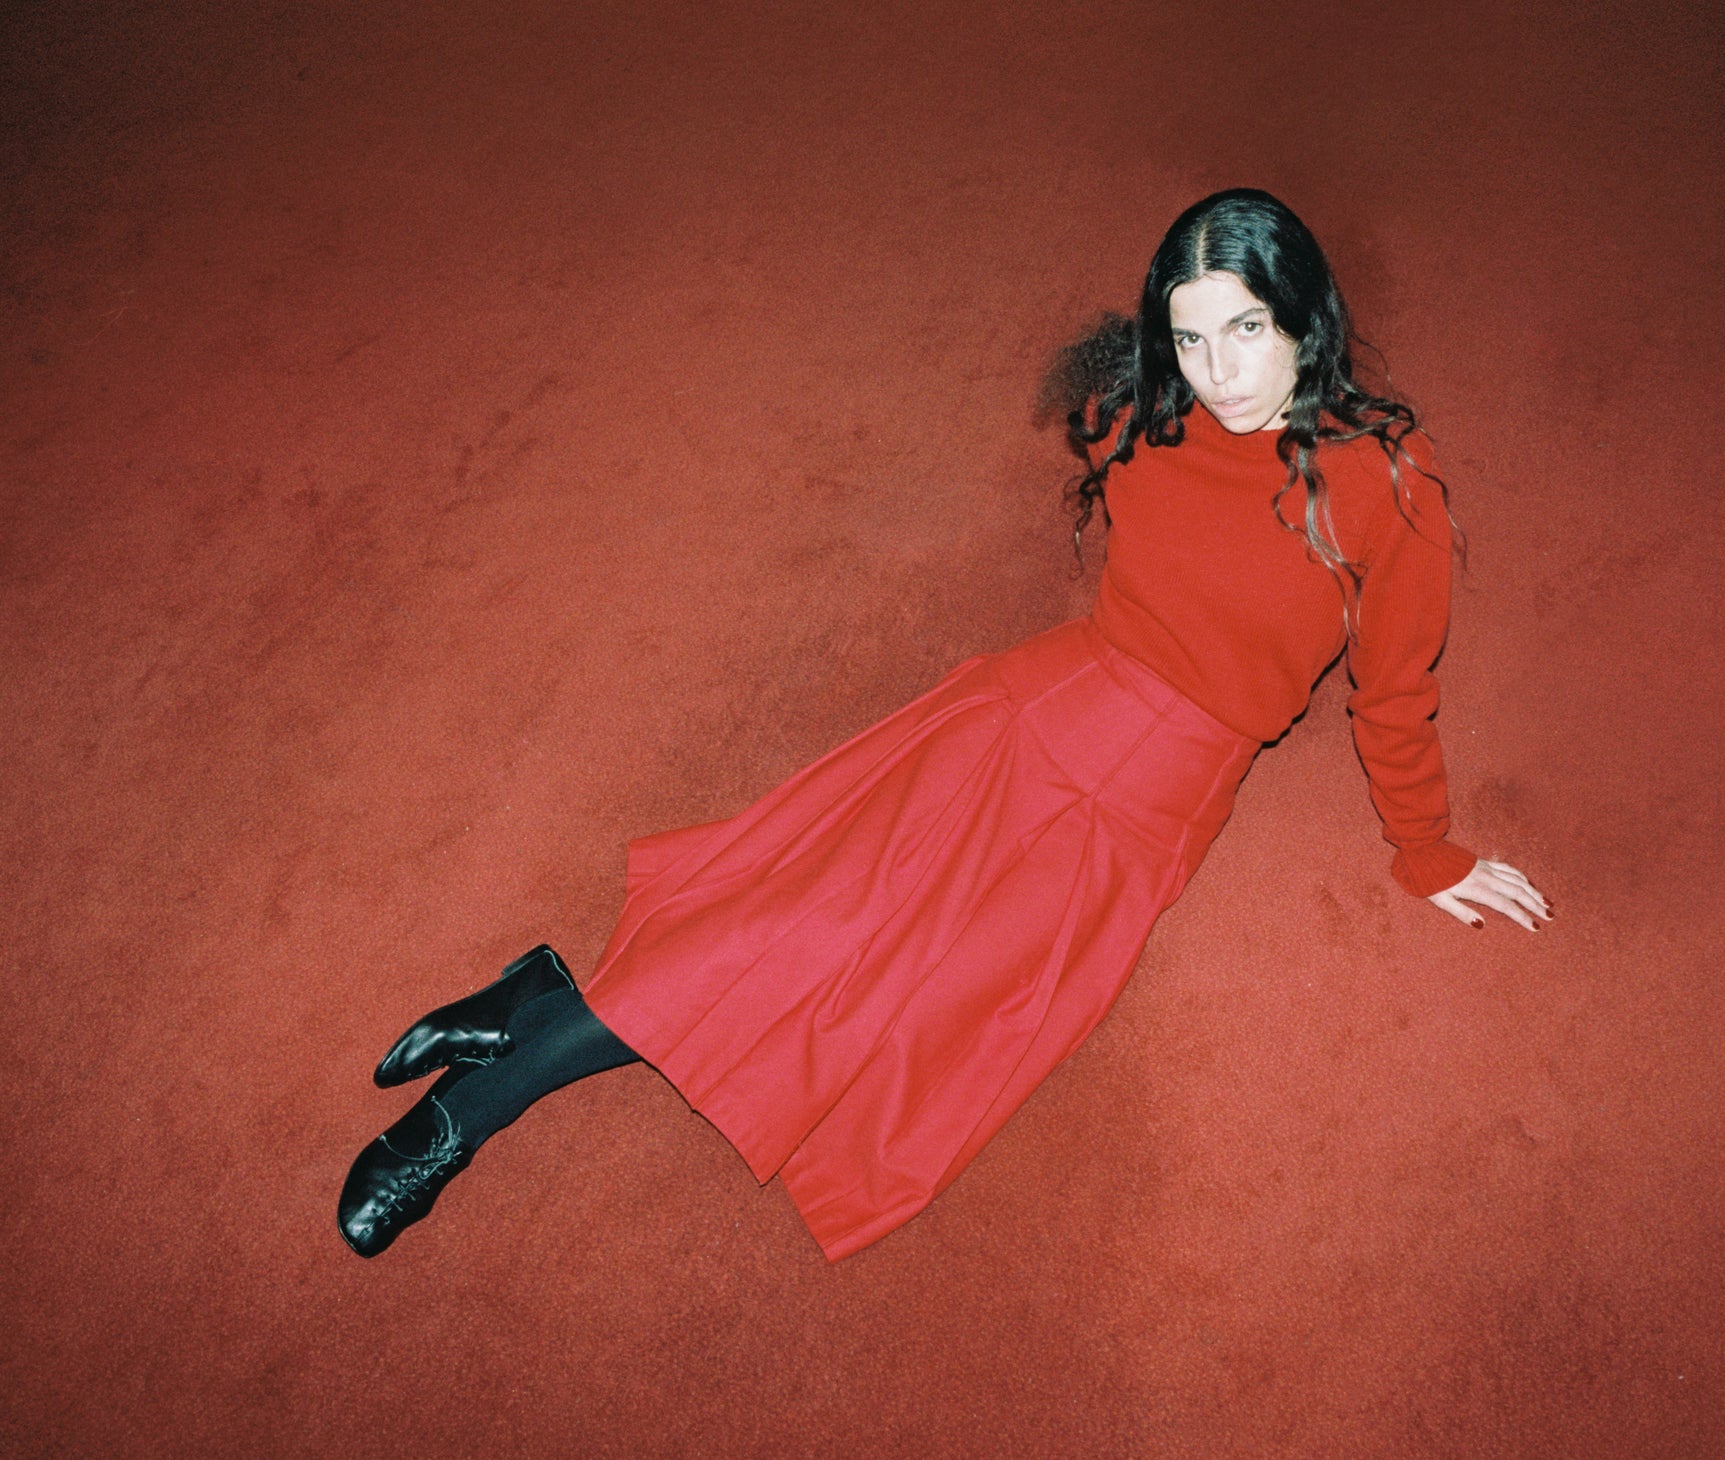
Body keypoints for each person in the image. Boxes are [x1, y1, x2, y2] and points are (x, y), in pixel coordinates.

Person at [337, 188, 1550, 1262]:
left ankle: (536, 995)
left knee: (879, 1008)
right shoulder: (1141, 413)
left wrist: (1425, 847)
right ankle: (459, 1117)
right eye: (1189, 336)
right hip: (1037, 709)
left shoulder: (1392, 489)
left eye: (1246, 330)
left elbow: (1391, 690)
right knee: (795, 927)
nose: (1221, 372)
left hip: (1148, 804)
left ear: (1305, 316)